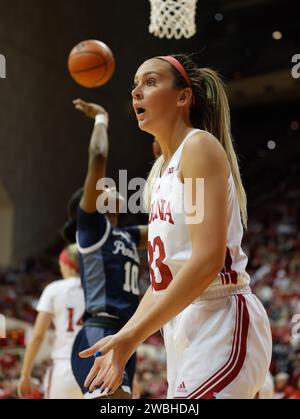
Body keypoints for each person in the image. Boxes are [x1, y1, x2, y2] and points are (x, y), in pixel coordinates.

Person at [79, 54, 272, 399]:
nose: (137, 91)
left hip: (222, 317)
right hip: (183, 330)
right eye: (135, 85)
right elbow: (160, 282)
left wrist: (132, 337)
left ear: (183, 97)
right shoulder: (162, 174)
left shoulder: (198, 147)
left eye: (150, 82)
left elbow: (207, 260)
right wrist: (125, 337)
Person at [69, 99, 148, 399]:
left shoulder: (127, 235)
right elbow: (98, 154)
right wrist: (101, 117)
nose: (111, 186)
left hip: (126, 336)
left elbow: (171, 229)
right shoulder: (91, 229)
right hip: (100, 331)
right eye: (104, 186)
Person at [18, 244, 84, 399]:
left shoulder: (54, 289)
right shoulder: (98, 290)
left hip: (65, 366)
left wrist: (25, 374)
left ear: (67, 266)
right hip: (94, 370)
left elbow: (38, 335)